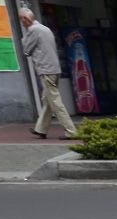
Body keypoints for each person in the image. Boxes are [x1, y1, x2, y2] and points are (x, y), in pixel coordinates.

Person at [19, 8, 78, 140]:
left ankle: (71, 131)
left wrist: (25, 36)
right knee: (47, 100)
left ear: (26, 19)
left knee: (55, 102)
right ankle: (41, 129)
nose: (22, 23)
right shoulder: (46, 28)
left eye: (21, 20)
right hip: (54, 69)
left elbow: (26, 50)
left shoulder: (33, 30)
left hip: (46, 69)